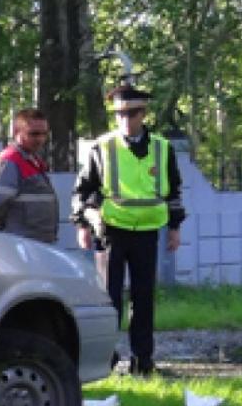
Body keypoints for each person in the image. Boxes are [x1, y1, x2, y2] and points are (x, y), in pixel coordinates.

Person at [72, 86, 185, 376]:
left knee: (143, 298)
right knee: (109, 299)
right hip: (111, 231)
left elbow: (173, 190)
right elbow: (84, 191)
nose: (125, 119)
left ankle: (142, 362)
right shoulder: (102, 147)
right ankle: (106, 361)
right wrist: (83, 224)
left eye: (131, 113)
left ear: (143, 114)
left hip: (147, 231)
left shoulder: (162, 148)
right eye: (119, 114)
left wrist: (174, 227)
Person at [0, 108, 59, 243]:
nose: (40, 139)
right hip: (21, 244)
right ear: (16, 132)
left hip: (35, 243)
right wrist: (7, 237)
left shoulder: (33, 161)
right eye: (34, 134)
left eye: (44, 134)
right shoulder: (10, 160)